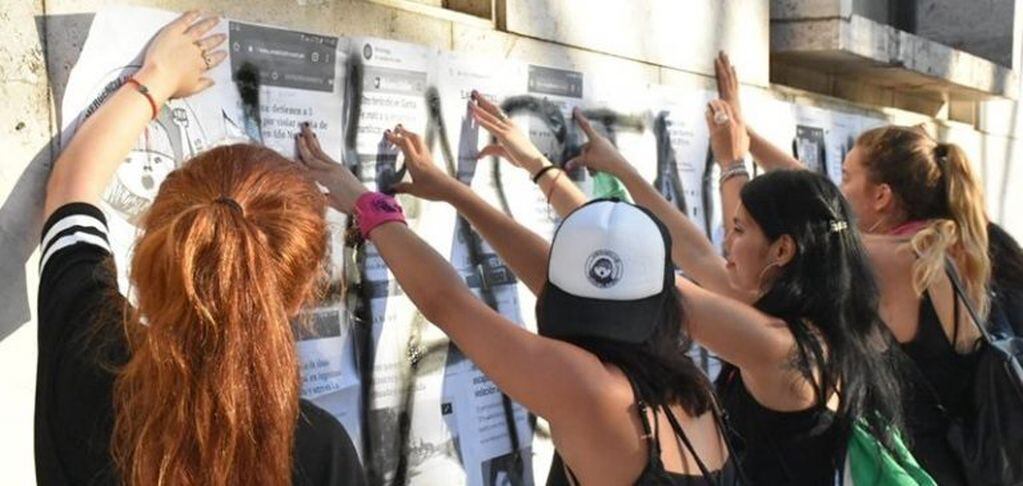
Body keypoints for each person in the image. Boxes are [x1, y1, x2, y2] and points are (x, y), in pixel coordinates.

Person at [434, 91, 906, 484]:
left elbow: (625, 275)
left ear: (782, 251)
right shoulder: (820, 328)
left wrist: (531, 173)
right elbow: (692, 252)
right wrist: (618, 171)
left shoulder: (777, 347)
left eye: (740, 231)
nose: (726, 241)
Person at [296, 123, 740, 485]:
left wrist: (367, 205)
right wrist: (453, 192)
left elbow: (448, 302)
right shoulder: (692, 388)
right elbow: (554, 272)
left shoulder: (594, 390)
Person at [36, 12, 364, 485]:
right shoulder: (319, 451)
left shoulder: (91, 357)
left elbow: (70, 190)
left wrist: (156, 79)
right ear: (298, 296)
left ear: (156, 245)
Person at [711, 51, 991, 485]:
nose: (838, 188)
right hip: (952, 465)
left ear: (881, 197)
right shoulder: (949, 248)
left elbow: (816, 220)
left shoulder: (894, 260)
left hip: (914, 469)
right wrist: (746, 137)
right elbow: (816, 204)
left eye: (845, 176)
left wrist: (733, 166)